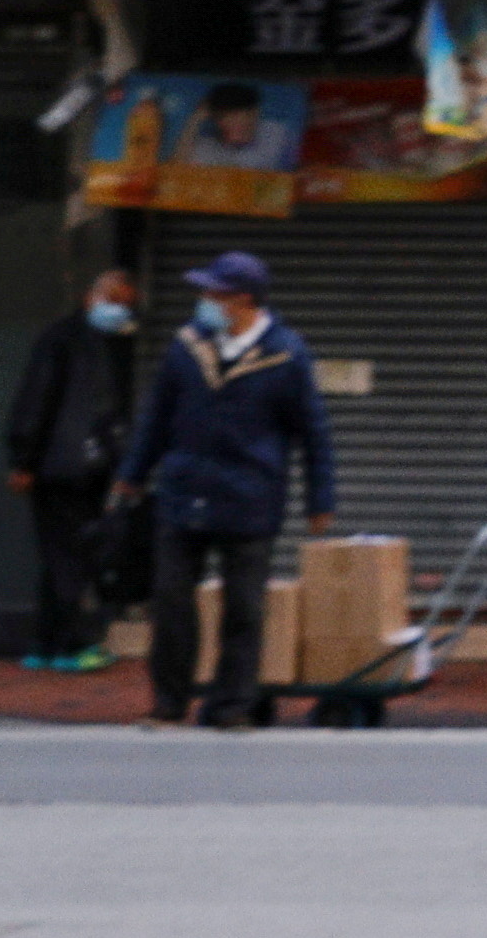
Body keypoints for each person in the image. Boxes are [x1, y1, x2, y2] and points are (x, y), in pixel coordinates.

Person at [131, 248, 339, 731]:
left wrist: (320, 498)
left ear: (242, 299)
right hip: (184, 494)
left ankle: (231, 705)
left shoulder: (285, 354)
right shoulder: (188, 345)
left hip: (250, 498)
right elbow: (156, 416)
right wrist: (134, 473)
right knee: (171, 600)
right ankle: (169, 700)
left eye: (213, 293)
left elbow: (314, 432)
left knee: (244, 608)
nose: (203, 301)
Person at [0, 253, 148, 672]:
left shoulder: (103, 344)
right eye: (114, 300)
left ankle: (46, 644)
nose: (120, 311)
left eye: (127, 304)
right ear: (90, 298)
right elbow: (36, 400)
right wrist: (22, 458)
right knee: (71, 559)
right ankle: (71, 645)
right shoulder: (64, 341)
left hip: (85, 470)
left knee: (60, 559)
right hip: (61, 470)